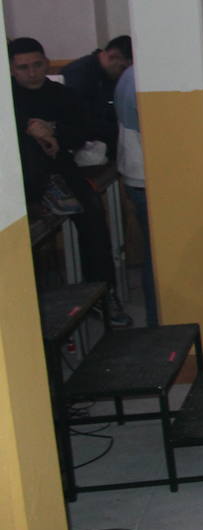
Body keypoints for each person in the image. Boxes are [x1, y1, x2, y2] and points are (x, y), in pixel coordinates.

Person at [10, 37, 125, 319]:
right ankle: (28, 308)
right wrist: (31, 130)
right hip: (20, 178)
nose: (32, 72)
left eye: (37, 65)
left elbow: (83, 131)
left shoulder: (62, 94)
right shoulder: (6, 98)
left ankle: (102, 295)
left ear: (46, 63)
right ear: (11, 70)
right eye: (23, 67)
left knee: (94, 219)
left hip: (63, 170)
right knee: (24, 239)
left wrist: (52, 130)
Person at [113, 66, 157, 326]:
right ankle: (159, 320)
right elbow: (153, 134)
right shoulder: (143, 78)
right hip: (147, 178)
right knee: (159, 256)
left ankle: (159, 318)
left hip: (138, 175)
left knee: (155, 253)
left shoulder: (129, 74)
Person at [61, 35, 132, 153]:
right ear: (112, 56)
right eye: (123, 68)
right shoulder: (79, 75)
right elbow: (82, 120)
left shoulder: (104, 73)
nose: (124, 75)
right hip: (86, 145)